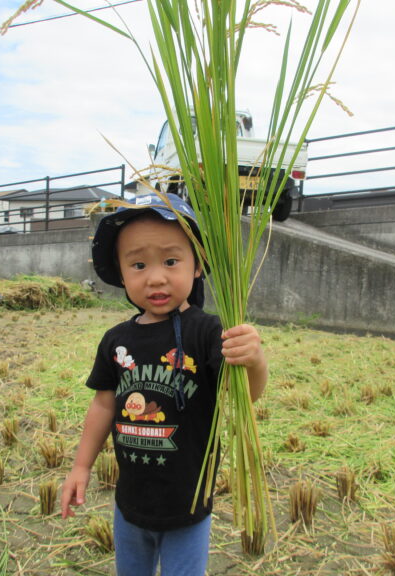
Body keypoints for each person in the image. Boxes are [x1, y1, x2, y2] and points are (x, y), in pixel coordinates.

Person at [60, 193, 268, 576]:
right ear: (121, 275)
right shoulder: (116, 340)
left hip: (188, 505)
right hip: (131, 504)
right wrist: (80, 466)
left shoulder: (209, 332)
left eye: (171, 261)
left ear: (197, 265)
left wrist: (254, 360)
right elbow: (104, 405)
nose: (156, 277)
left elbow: (244, 396)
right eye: (138, 264)